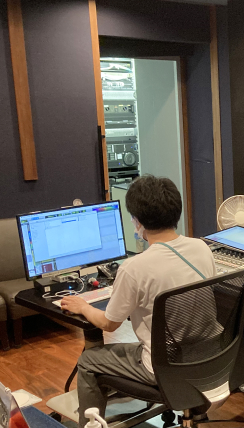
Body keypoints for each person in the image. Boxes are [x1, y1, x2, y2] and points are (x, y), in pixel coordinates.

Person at [60, 175, 215, 427]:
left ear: (137, 222)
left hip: (163, 368)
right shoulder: (201, 248)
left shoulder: (134, 268)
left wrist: (83, 306)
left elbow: (109, 324)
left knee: (88, 361)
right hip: (207, 358)